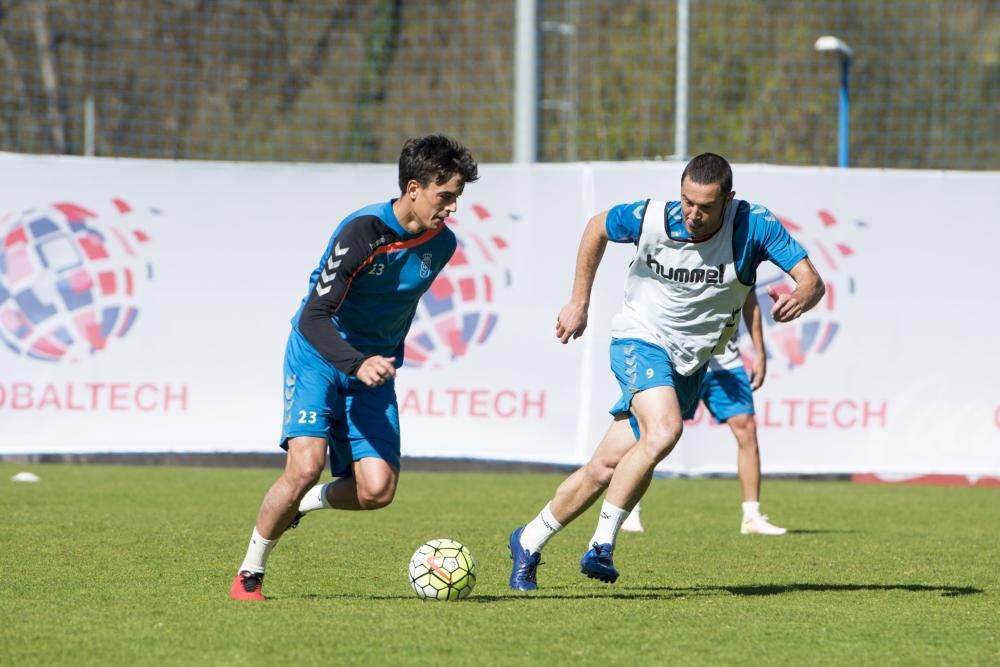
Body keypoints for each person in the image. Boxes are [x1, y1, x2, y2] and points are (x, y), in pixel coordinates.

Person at [507, 152, 824, 591]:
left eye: (706, 206)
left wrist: (804, 294)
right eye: (687, 201)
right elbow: (596, 226)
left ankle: (528, 540)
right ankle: (601, 545)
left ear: (729, 200)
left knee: (604, 467)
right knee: (664, 431)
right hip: (640, 339)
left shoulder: (756, 226)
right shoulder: (651, 217)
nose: (692, 213)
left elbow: (811, 279)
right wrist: (579, 300)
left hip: (691, 361)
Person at [230, 135, 479, 601]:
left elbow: (392, 308)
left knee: (377, 490)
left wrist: (373, 362)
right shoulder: (361, 232)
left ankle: (303, 504)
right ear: (412, 189)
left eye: (457, 199)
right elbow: (313, 316)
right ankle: (250, 573)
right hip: (319, 356)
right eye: (444, 197)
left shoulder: (442, 245)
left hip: (373, 370)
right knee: (306, 465)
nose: (451, 209)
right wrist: (355, 361)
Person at [620, 289, 787, 536]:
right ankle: (628, 510)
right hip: (679, 361)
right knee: (651, 433)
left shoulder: (739, 254)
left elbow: (749, 301)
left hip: (726, 362)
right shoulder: (681, 254)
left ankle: (751, 517)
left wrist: (760, 353)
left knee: (747, 428)